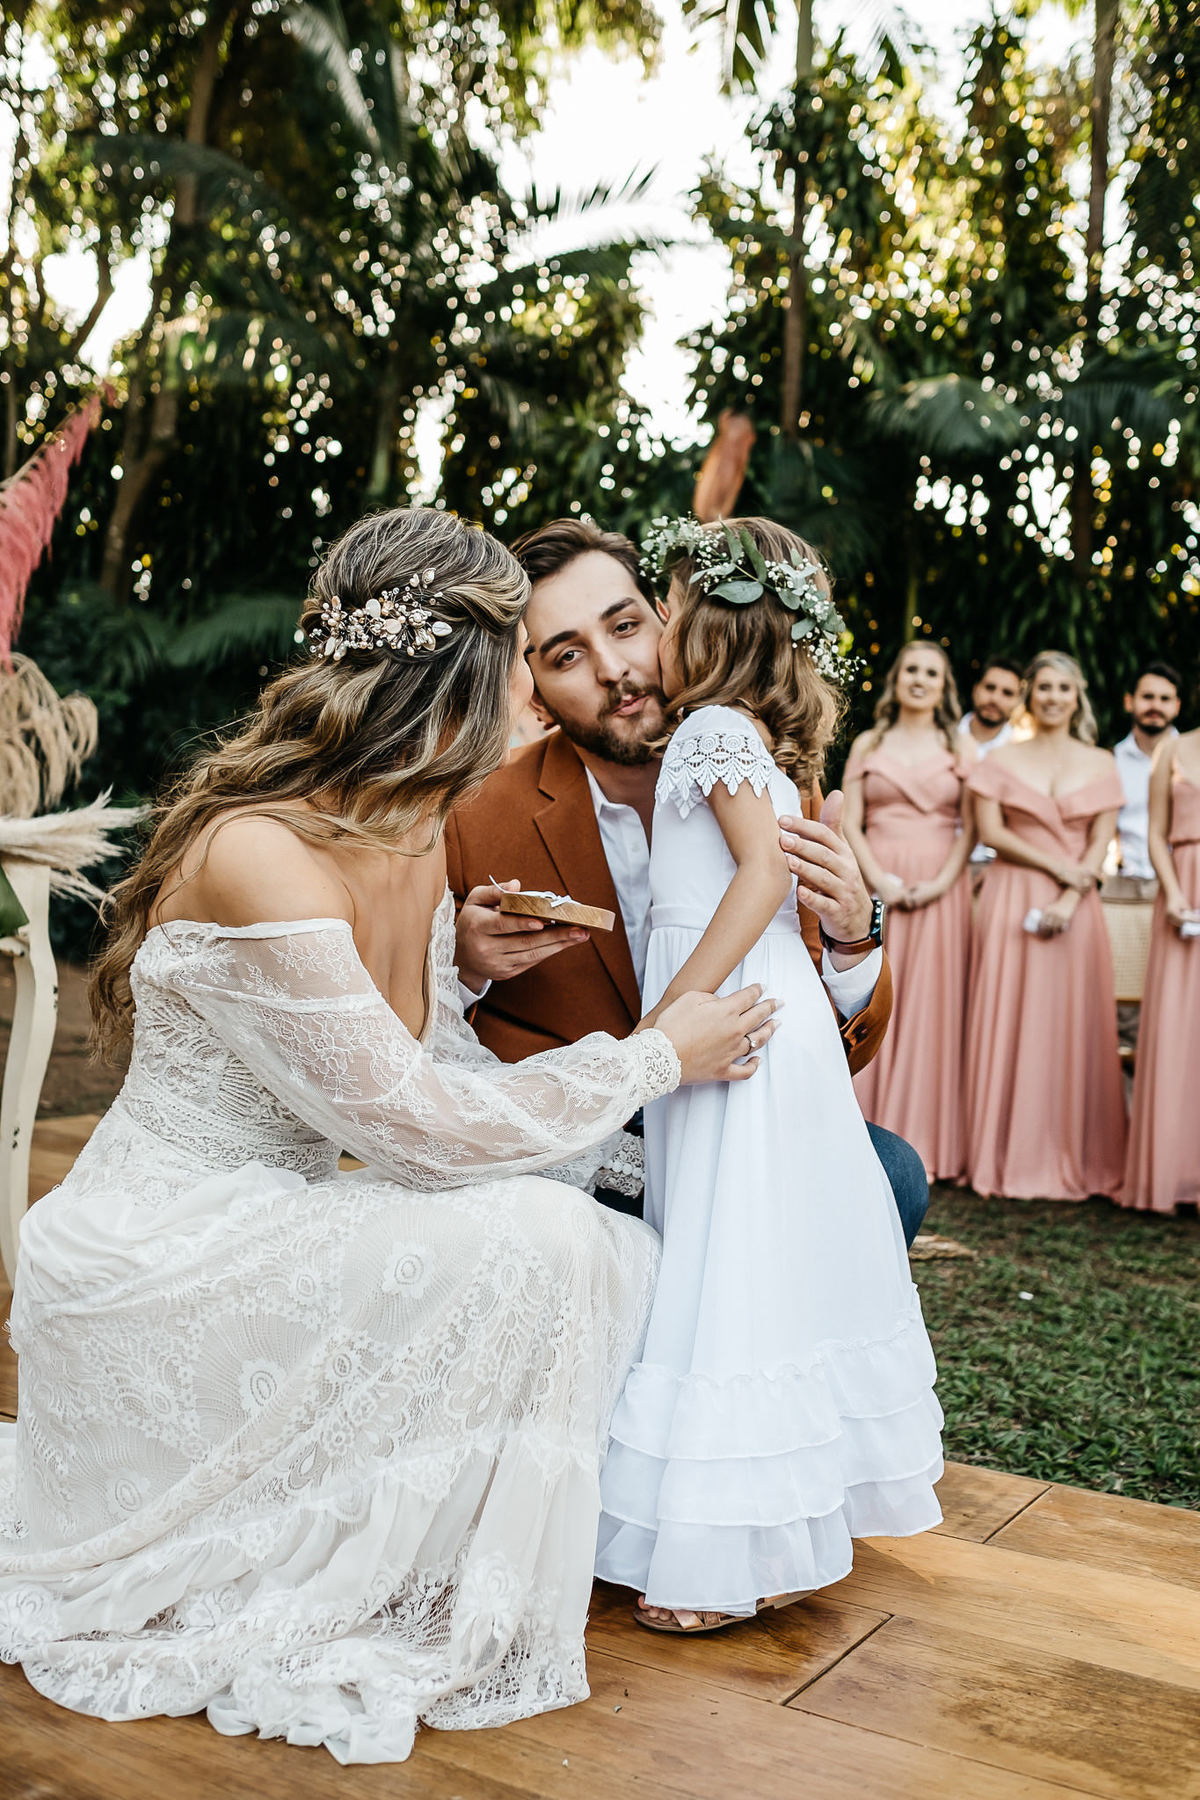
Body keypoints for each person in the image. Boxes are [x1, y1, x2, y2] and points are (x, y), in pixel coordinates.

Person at [0, 507, 779, 1765]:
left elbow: (432, 1068)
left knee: (601, 1229)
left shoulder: (414, 832)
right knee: (540, 1240)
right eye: (525, 667)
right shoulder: (257, 850)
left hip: (280, 1221)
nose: (535, 697)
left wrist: (493, 1007)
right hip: (159, 1263)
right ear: (468, 679)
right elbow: (415, 1129)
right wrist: (653, 1056)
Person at [590, 516, 942, 1634]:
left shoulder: (708, 732)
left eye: (669, 604)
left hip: (732, 1022)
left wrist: (670, 1010)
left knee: (725, 1266)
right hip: (767, 1022)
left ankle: (725, 1546)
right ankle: (780, 1530)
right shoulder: (761, 747)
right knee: (760, 1269)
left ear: (711, 621)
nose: (656, 628)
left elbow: (753, 881)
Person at [445, 517, 930, 1246]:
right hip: (586, 1131)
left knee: (892, 1173)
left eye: (625, 624)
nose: (613, 668)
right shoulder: (477, 811)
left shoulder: (767, 778)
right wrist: (467, 966)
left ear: (670, 622)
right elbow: (413, 1031)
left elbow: (838, 1044)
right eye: (568, 654)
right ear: (535, 693)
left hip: (739, 1108)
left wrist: (854, 937)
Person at [964, 651, 1127, 1200]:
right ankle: (1005, 1152)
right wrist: (1058, 869)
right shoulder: (1002, 760)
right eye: (1044, 688)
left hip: (1078, 907)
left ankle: (1077, 1152)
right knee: (1012, 1018)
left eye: (1064, 688)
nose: (1054, 697)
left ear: (1077, 695)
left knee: (1071, 1024)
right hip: (1014, 895)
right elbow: (991, 829)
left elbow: (1102, 841)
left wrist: (1070, 895)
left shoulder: (1103, 761)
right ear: (1030, 696)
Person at [843, 642, 975, 1181]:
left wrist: (942, 882)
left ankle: (932, 1137)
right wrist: (879, 880)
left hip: (942, 886)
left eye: (932, 674)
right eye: (912, 670)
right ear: (897, 679)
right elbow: (850, 820)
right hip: (881, 878)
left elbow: (973, 826)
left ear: (944, 687)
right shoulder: (870, 742)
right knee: (876, 995)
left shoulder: (959, 745)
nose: (920, 680)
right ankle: (865, 1126)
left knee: (933, 1004)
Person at [1121, 722, 1200, 1212]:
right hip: (1183, 897)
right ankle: (1172, 1172)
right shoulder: (1173, 747)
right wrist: (1173, 894)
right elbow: (1155, 831)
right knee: (1177, 1031)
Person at [1112, 663, 1182, 881]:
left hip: (1185, 882)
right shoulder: (1110, 761)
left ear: (1177, 706)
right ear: (1128, 701)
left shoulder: (1193, 760)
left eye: (1165, 699)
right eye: (1148, 697)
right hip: (1124, 884)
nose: (1156, 706)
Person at [958, 655, 1023, 878]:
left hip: (996, 871)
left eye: (1007, 693)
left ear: (1018, 701)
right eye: (990, 687)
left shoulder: (1021, 754)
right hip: (937, 864)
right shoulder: (942, 740)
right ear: (976, 690)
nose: (995, 698)